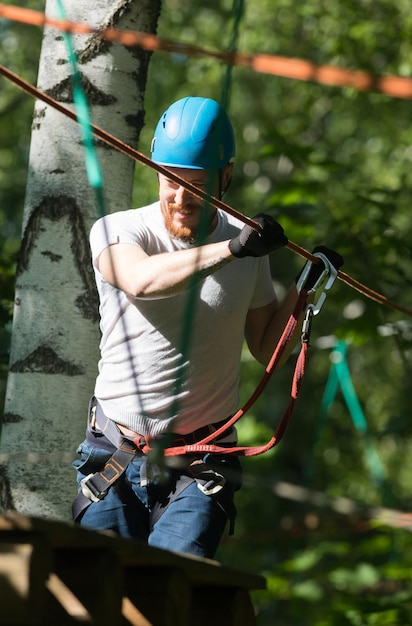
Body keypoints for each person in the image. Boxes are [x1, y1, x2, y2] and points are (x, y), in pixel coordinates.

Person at [72, 96, 340, 559]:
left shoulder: (246, 245)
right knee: (98, 596)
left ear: (226, 177)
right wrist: (234, 249)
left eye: (196, 185)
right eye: (171, 181)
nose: (181, 197)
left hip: (201, 465)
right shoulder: (118, 230)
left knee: (173, 593)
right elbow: (141, 280)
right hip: (114, 458)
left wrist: (306, 289)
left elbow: (264, 345)